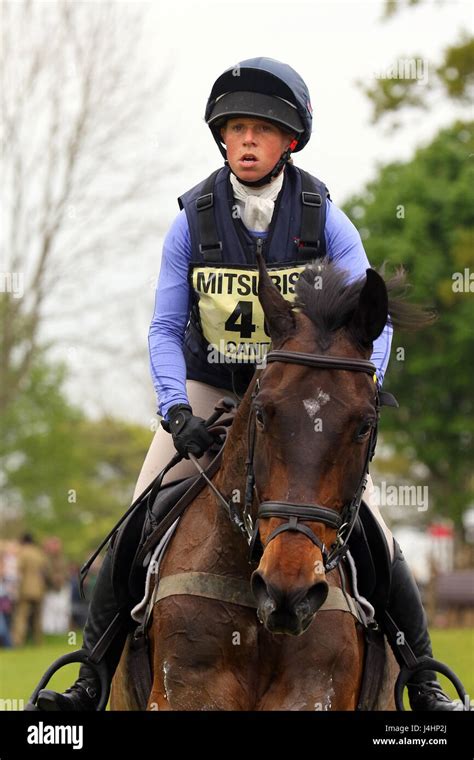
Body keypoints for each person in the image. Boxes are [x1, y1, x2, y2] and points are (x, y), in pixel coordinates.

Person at [37, 57, 460, 711]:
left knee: (376, 528)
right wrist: (175, 407)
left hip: (304, 409)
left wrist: (360, 395)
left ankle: (425, 679)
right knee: (135, 521)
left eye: (260, 130)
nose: (245, 142)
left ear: (290, 139)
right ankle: (88, 677)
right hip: (211, 389)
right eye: (233, 129)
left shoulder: (327, 221)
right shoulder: (192, 222)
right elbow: (162, 328)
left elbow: (372, 327)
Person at [12, 533, 49, 647]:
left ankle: (18, 642)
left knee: (21, 617)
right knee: (37, 618)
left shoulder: (23, 553)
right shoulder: (39, 553)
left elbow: (18, 571)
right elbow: (46, 571)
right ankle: (38, 642)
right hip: (39, 589)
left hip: (25, 589)